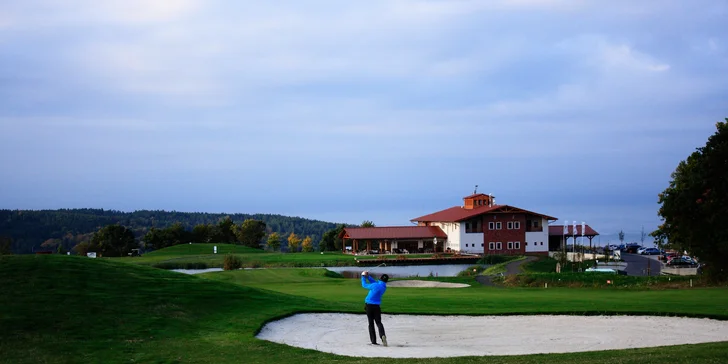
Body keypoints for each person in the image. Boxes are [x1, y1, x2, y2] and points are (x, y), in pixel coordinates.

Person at [361, 270, 389, 346]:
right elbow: (374, 282)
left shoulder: (375, 285)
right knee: (379, 322)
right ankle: (382, 335)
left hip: (369, 306)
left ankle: (373, 341)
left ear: (380, 278)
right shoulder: (383, 287)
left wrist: (363, 276)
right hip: (377, 307)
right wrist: (368, 276)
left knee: (371, 323)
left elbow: (364, 285)